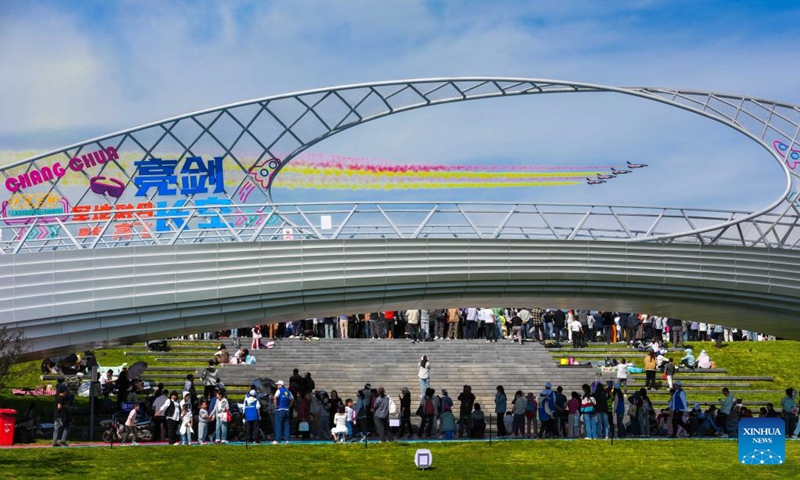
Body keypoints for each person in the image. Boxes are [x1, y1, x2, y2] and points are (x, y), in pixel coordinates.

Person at [273, 380, 294, 444]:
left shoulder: (279, 390)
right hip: (286, 410)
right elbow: (292, 399)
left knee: (278, 425)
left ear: (280, 385)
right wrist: (289, 406)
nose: (277, 386)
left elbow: (275, 397)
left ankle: (277, 440)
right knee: (286, 425)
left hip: (280, 410)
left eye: (278, 385)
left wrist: (276, 406)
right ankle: (287, 440)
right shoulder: (288, 391)